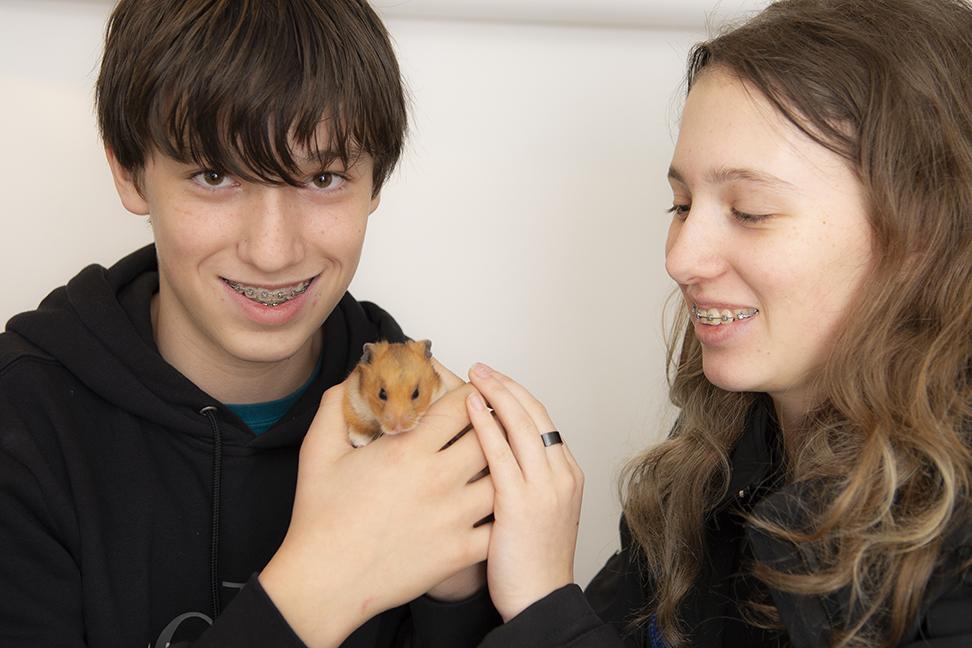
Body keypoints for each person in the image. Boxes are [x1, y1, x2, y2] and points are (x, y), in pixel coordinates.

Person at [468, 0, 972, 646]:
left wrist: (543, 603)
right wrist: (467, 585)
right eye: (681, 205)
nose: (680, 259)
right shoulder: (719, 453)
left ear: (921, 233)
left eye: (750, 210)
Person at [0, 1, 500, 646]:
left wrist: (461, 599)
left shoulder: (434, 434)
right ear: (129, 171)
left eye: (323, 177)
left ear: (376, 183)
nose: (272, 252)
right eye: (215, 175)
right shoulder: (21, 426)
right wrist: (322, 583)